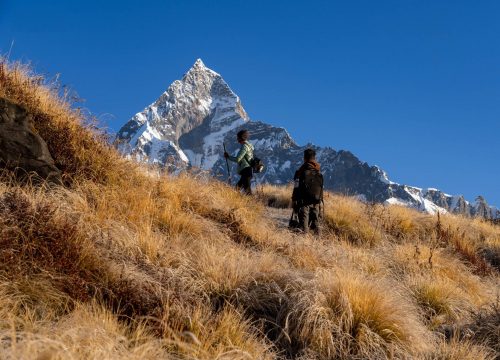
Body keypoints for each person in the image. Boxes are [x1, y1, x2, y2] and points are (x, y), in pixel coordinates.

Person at [291, 148, 323, 235]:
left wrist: (294, 201)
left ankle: (303, 243)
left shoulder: (301, 171)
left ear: (304, 158)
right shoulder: (318, 172)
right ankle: (318, 243)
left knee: (304, 225)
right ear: (314, 158)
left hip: (303, 202)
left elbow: (296, 187)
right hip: (316, 201)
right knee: (316, 223)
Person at [224, 129, 254, 195]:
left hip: (246, 170)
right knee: (238, 188)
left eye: (238, 137)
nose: (237, 139)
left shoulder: (244, 147)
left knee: (247, 190)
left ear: (241, 138)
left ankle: (252, 204)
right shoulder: (249, 146)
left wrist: (228, 157)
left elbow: (238, 159)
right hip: (247, 171)